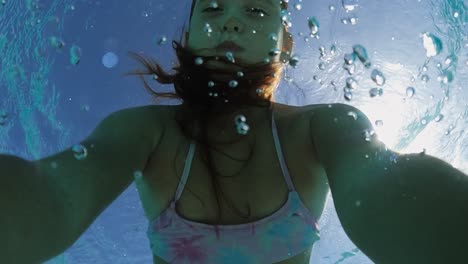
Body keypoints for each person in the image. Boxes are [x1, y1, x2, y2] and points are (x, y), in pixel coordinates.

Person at [1, 0, 467, 264]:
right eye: (213, 8)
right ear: (192, 33)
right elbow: (55, 200)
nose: (229, 19)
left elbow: (389, 191)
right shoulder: (145, 131)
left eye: (254, 10)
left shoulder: (324, 127)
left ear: (284, 45)